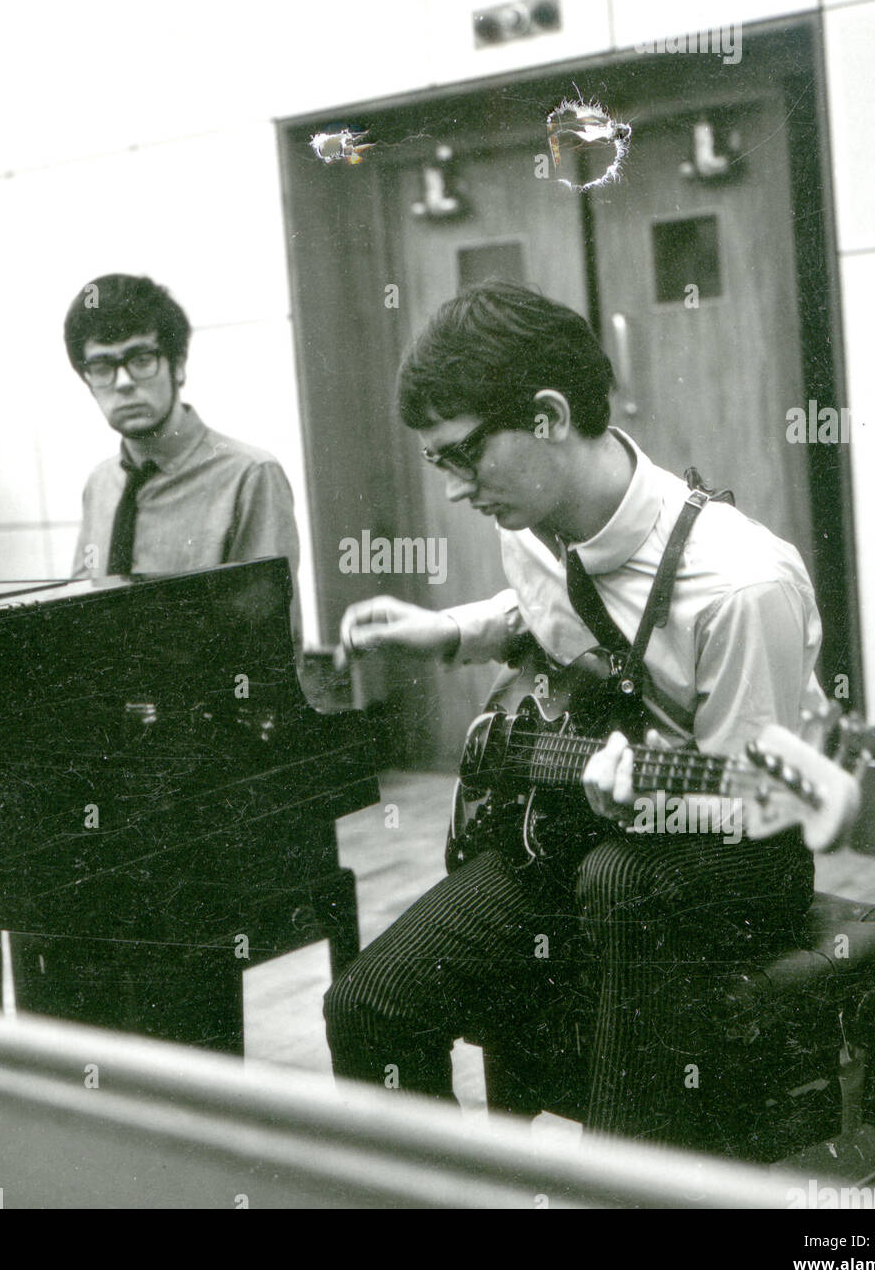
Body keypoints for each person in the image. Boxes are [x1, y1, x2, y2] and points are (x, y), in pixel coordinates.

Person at [325, 281, 823, 1144]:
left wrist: (652, 804)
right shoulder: (526, 525)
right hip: (574, 822)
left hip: (735, 850)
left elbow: (761, 797)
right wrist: (448, 631)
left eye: (460, 456)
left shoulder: (742, 586)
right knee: (368, 1005)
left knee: (619, 880)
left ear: (549, 415)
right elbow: (561, 617)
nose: (451, 491)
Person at [64, 273, 301, 637]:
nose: (124, 382)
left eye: (141, 359)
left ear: (177, 365)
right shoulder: (100, 484)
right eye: (102, 367)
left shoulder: (248, 475)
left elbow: (267, 650)